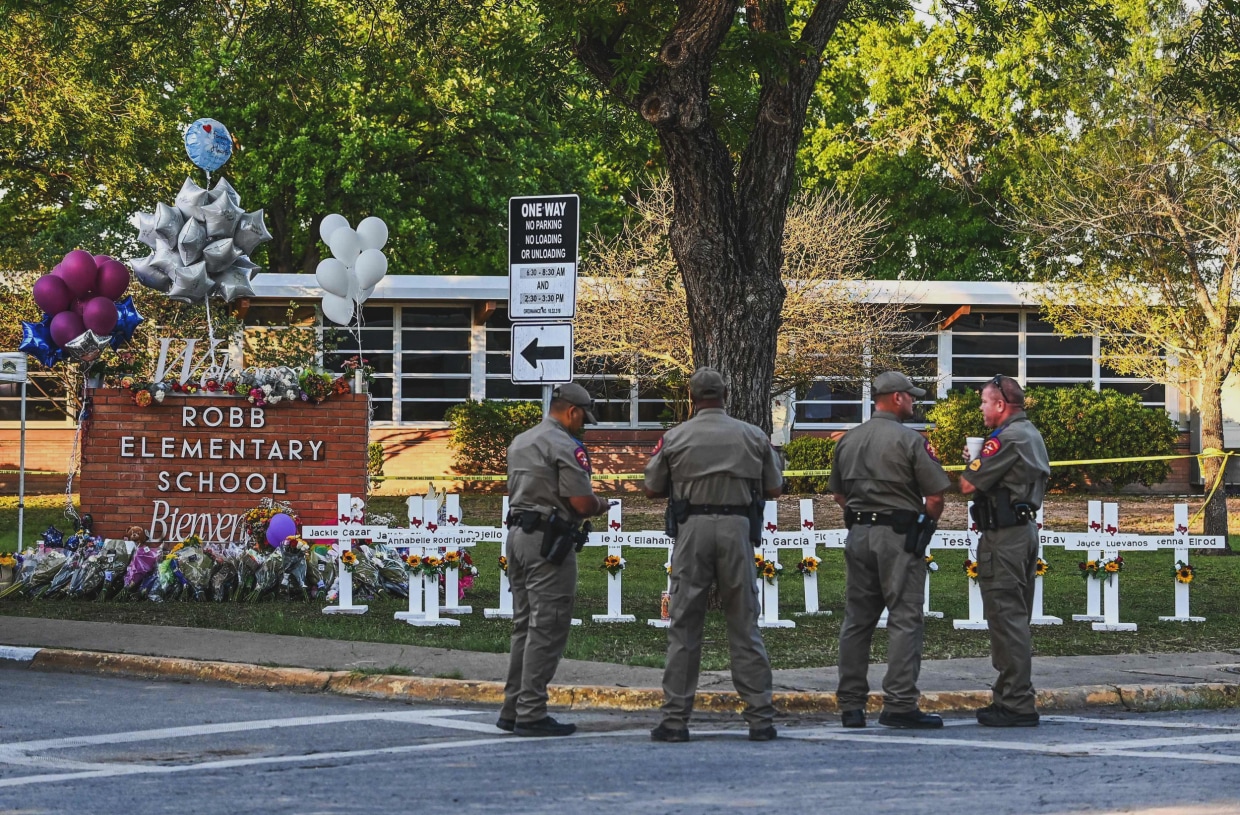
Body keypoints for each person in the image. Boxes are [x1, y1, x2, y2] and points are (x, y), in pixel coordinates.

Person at [644, 367, 783, 743]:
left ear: (692, 398)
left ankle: (675, 719)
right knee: (744, 623)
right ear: (726, 395)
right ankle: (760, 717)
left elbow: (652, 487)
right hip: (738, 527)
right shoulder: (753, 435)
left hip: (692, 530)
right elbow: (774, 486)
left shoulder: (674, 437)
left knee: (684, 624)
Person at [829, 371, 950, 729]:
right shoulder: (909, 441)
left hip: (859, 534)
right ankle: (899, 703)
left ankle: (851, 705)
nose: (914, 402)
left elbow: (838, 494)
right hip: (897, 537)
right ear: (896, 398)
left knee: (857, 620)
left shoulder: (849, 440)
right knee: (904, 618)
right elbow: (936, 496)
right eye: (911, 397)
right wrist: (924, 526)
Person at [498, 382, 610, 737]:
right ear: (572, 411)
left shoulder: (522, 440)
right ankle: (531, 711)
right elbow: (579, 502)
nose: (584, 425)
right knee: (548, 626)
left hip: (517, 537)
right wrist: (600, 504)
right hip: (548, 542)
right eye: (584, 418)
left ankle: (513, 708)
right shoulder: (564, 445)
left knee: (524, 625)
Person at [959, 374, 1050, 728]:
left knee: (1006, 619)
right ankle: (1011, 694)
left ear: (1000, 405)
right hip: (1024, 531)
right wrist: (980, 460)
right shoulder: (1029, 433)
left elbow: (968, 484)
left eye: (984, 402)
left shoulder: (1006, 438)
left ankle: (1016, 702)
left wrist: (975, 462)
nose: (981, 408)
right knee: (1016, 618)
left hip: (1004, 538)